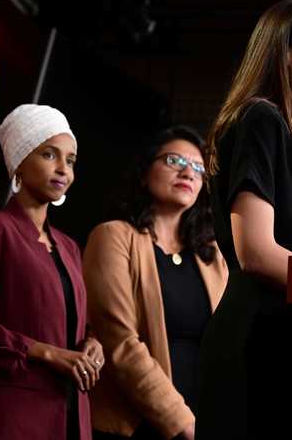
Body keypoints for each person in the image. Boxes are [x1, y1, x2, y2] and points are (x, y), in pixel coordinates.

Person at [195, 0, 292, 440]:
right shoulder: (261, 118)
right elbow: (257, 252)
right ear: (284, 50)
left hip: (290, 347)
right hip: (258, 348)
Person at [0, 104, 102, 440]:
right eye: (49, 155)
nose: (63, 168)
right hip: (10, 414)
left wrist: (93, 343)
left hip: (69, 414)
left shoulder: (68, 246)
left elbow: (73, 320)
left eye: (70, 160)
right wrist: (47, 353)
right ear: (19, 161)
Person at [82, 125, 228, 440]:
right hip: (137, 424)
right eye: (175, 161)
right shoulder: (113, 236)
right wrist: (182, 422)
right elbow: (119, 342)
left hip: (206, 418)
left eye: (199, 167)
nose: (189, 172)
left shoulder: (213, 255)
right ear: (145, 172)